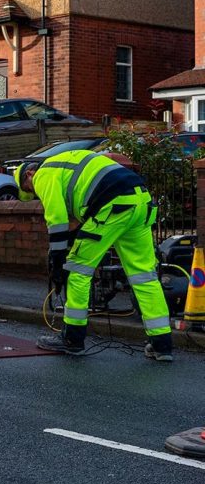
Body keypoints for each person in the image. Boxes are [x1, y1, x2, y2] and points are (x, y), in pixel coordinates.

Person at [15, 151, 173, 360]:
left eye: (30, 190)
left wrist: (58, 257)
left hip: (111, 206)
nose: (35, 194)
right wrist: (70, 239)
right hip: (140, 201)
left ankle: (72, 339)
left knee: (78, 270)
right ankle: (162, 345)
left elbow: (57, 218)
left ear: (29, 175)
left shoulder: (44, 174)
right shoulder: (69, 163)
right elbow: (78, 213)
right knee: (144, 275)